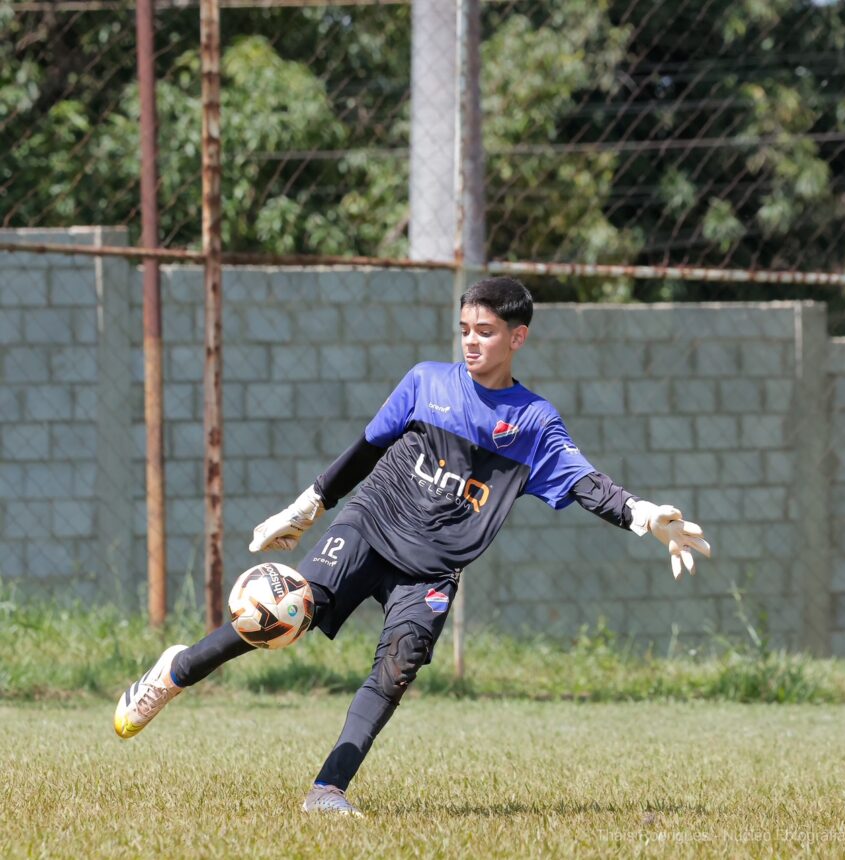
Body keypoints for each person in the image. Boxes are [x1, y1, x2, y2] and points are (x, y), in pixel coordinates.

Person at [114, 277, 710, 816]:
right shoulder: (427, 382)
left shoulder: (533, 422)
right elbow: (366, 447)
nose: (471, 342)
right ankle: (176, 670)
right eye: (465, 330)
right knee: (284, 610)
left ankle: (327, 790)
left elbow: (584, 481)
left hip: (432, 566)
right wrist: (306, 508)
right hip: (370, 525)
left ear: (517, 336)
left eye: (486, 331)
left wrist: (641, 514)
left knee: (397, 666)